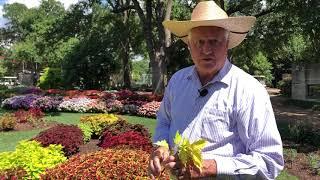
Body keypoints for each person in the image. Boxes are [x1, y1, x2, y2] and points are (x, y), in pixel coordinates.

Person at [148, 1, 284, 179]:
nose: (206, 50)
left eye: (214, 42)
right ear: (189, 45)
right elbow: (164, 122)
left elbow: (269, 161)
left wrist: (210, 167)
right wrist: (161, 147)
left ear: (226, 44)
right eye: (199, 42)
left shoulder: (249, 90)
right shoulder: (177, 81)